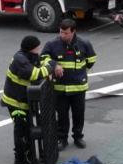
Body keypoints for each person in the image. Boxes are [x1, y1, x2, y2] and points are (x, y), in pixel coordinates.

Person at [1, 36, 60, 164]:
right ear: (31, 48)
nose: (39, 49)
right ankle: (20, 157)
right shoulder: (20, 60)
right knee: (21, 130)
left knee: (27, 129)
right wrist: (51, 68)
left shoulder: (30, 56)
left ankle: (27, 153)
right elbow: (35, 74)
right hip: (15, 102)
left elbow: (43, 61)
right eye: (37, 47)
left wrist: (53, 64)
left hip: (23, 100)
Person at [41, 19, 96, 150]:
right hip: (60, 88)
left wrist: (80, 73)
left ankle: (78, 137)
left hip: (78, 88)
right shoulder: (52, 44)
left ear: (73, 32)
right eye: (61, 32)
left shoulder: (84, 43)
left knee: (79, 114)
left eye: (66, 33)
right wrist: (54, 65)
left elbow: (91, 60)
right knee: (62, 115)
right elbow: (43, 58)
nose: (62, 35)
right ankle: (62, 138)